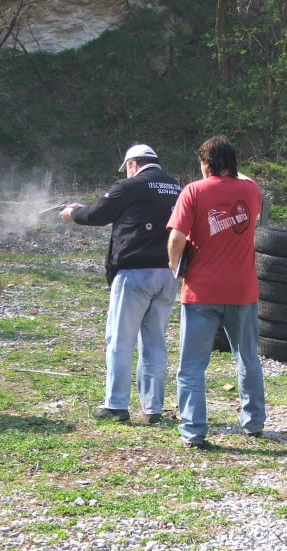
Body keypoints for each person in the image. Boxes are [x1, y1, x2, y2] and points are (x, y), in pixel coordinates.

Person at [60, 143, 181, 424]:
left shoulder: (129, 185)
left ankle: (116, 404)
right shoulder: (176, 187)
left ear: (132, 164)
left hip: (134, 273)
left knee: (120, 340)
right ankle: (153, 409)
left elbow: (97, 214)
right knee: (155, 343)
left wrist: (72, 214)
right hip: (167, 273)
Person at [166, 135, 265, 447]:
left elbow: (177, 238)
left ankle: (193, 431)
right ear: (232, 163)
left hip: (202, 291)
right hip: (242, 290)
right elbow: (246, 180)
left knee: (192, 367)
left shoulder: (193, 191)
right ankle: (254, 422)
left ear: (206, 164)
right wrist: (232, 170)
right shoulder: (251, 190)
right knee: (247, 358)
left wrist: (174, 265)